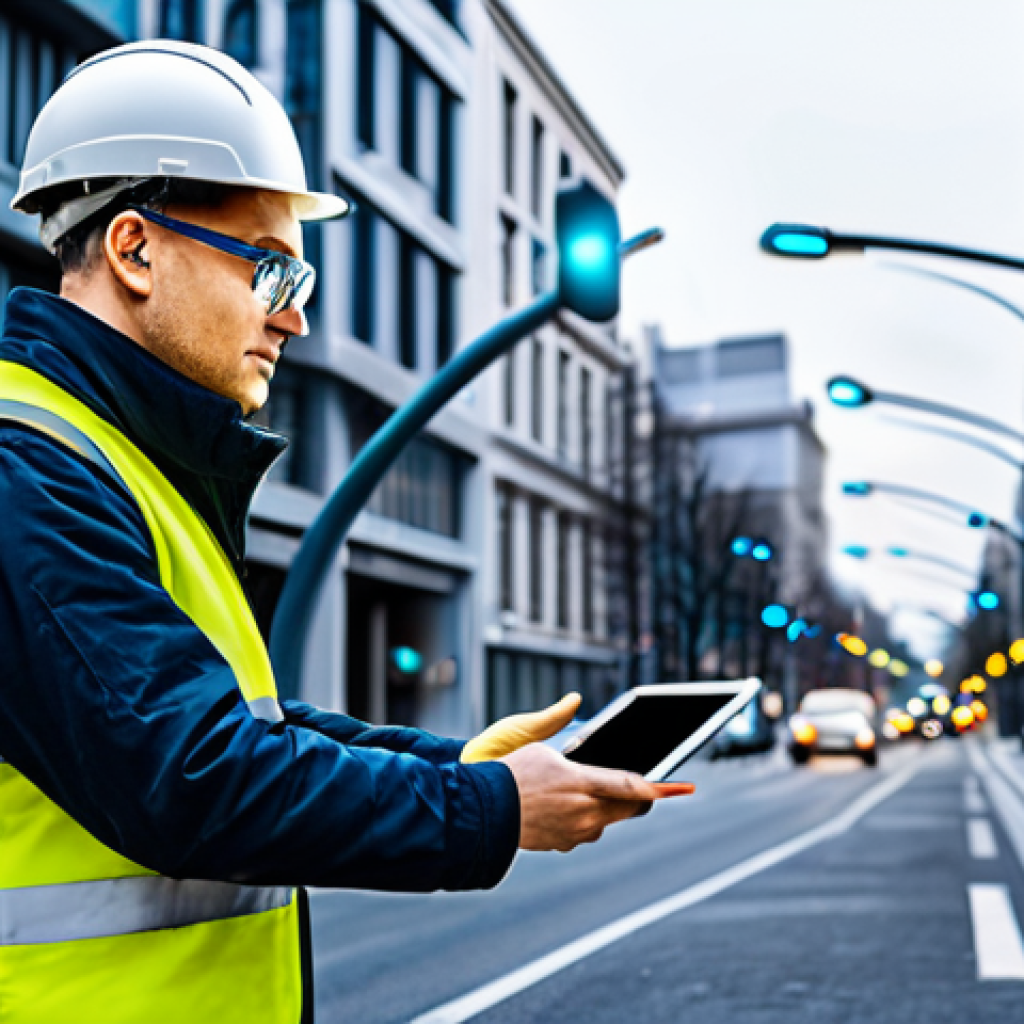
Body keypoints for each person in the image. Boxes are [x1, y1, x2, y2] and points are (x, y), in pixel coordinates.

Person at [0, 40, 680, 1024]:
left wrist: (453, 768)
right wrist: (487, 810)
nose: (298, 319)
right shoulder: (30, 469)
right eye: (273, 274)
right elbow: (190, 778)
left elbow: (239, 733)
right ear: (134, 250)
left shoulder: (118, 458)